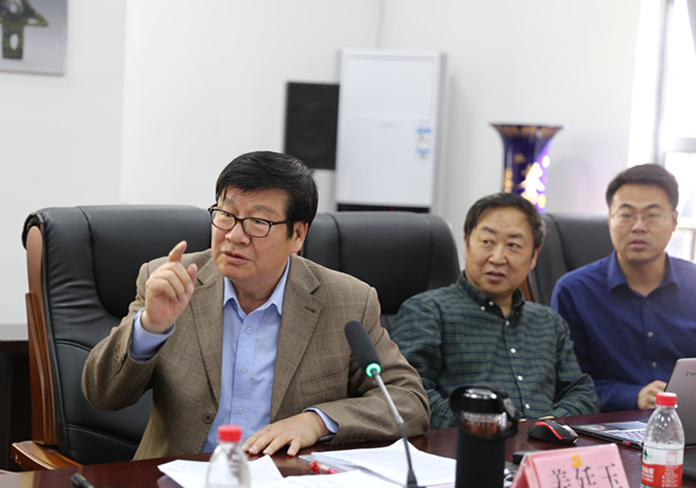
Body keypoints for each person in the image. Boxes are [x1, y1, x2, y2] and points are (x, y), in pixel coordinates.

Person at [82, 150, 430, 459]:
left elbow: (408, 401)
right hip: (175, 484)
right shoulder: (170, 281)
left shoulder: (347, 300)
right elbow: (101, 395)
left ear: (298, 235)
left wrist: (316, 422)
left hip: (287, 487)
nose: (234, 236)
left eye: (258, 222)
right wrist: (151, 326)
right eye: (226, 215)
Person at [391, 192, 599, 428]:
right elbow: (408, 394)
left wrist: (549, 425)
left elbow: (581, 392)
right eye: (487, 242)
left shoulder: (549, 322)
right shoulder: (427, 311)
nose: (498, 258)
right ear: (467, 244)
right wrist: (486, 426)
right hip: (465, 445)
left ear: (533, 256)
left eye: (513, 245)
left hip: (543, 446)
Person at [551, 164, 696, 412]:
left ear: (673, 221)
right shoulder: (574, 291)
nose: (638, 226)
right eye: (626, 215)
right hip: (608, 425)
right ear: (610, 219)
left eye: (652, 215)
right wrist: (632, 396)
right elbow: (566, 385)